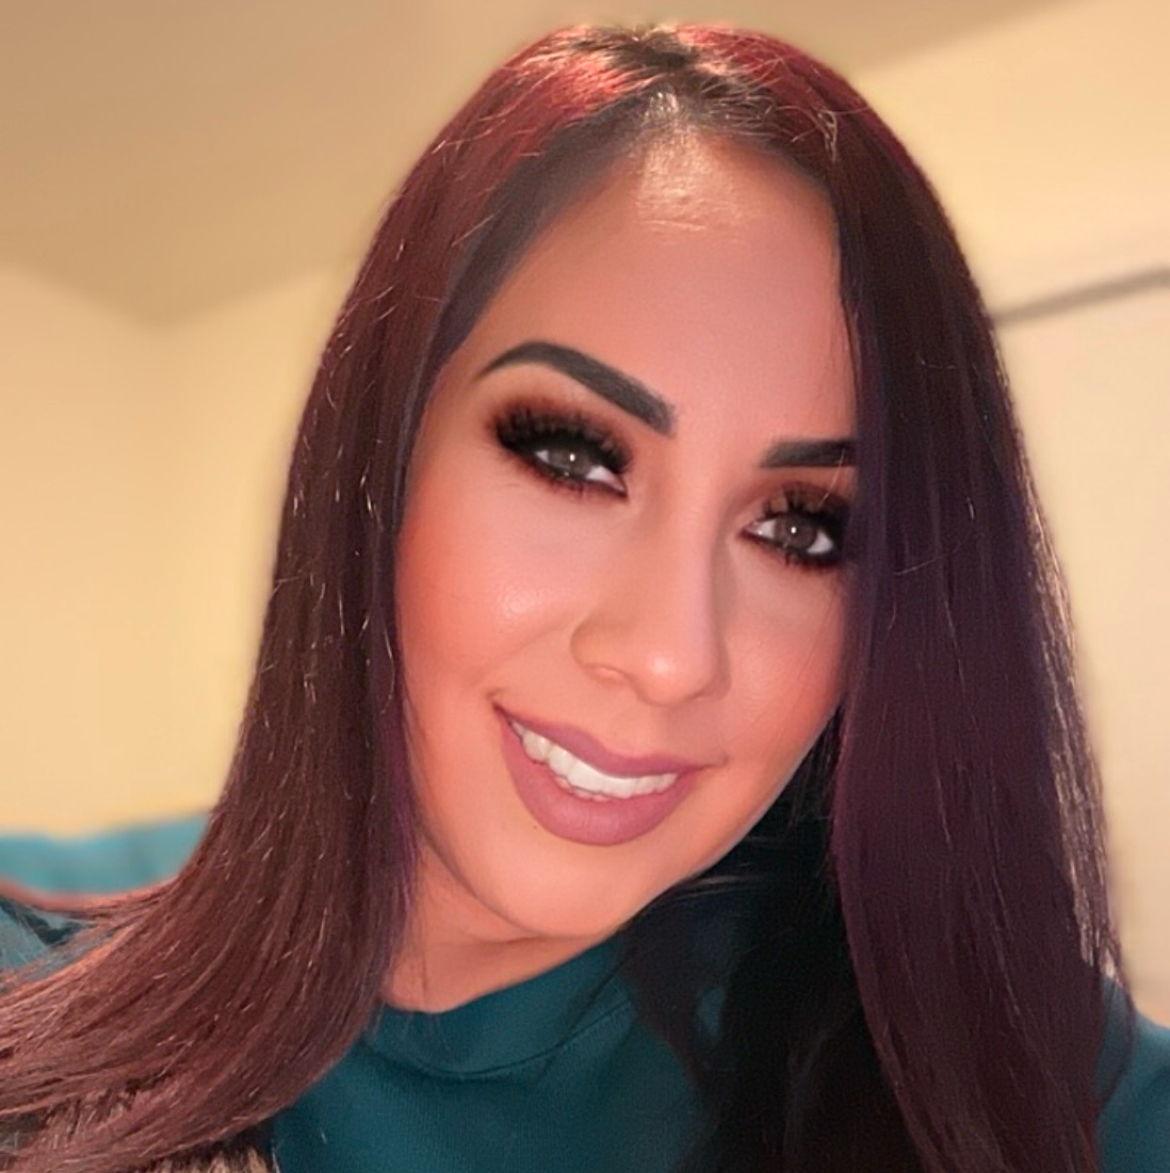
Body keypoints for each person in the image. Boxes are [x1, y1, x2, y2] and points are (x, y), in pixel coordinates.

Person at [0, 22, 1167, 1173]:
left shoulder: (1001, 1071)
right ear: (380, 463)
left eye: (801, 528)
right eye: (573, 457)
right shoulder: (31, 965)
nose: (669, 655)